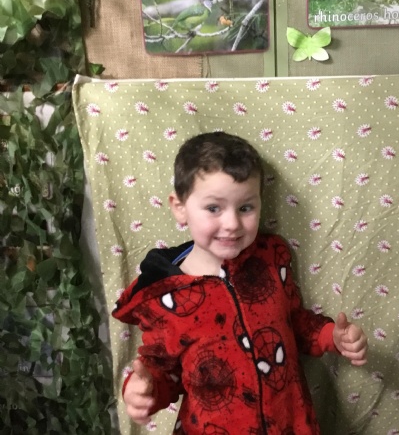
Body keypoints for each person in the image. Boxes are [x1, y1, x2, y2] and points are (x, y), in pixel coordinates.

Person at [112, 132, 368, 435]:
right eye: (213, 208)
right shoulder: (163, 295)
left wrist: (331, 336)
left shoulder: (271, 258)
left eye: (245, 208)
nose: (232, 223)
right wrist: (144, 389)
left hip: (289, 424)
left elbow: (293, 323)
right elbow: (163, 370)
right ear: (179, 207)